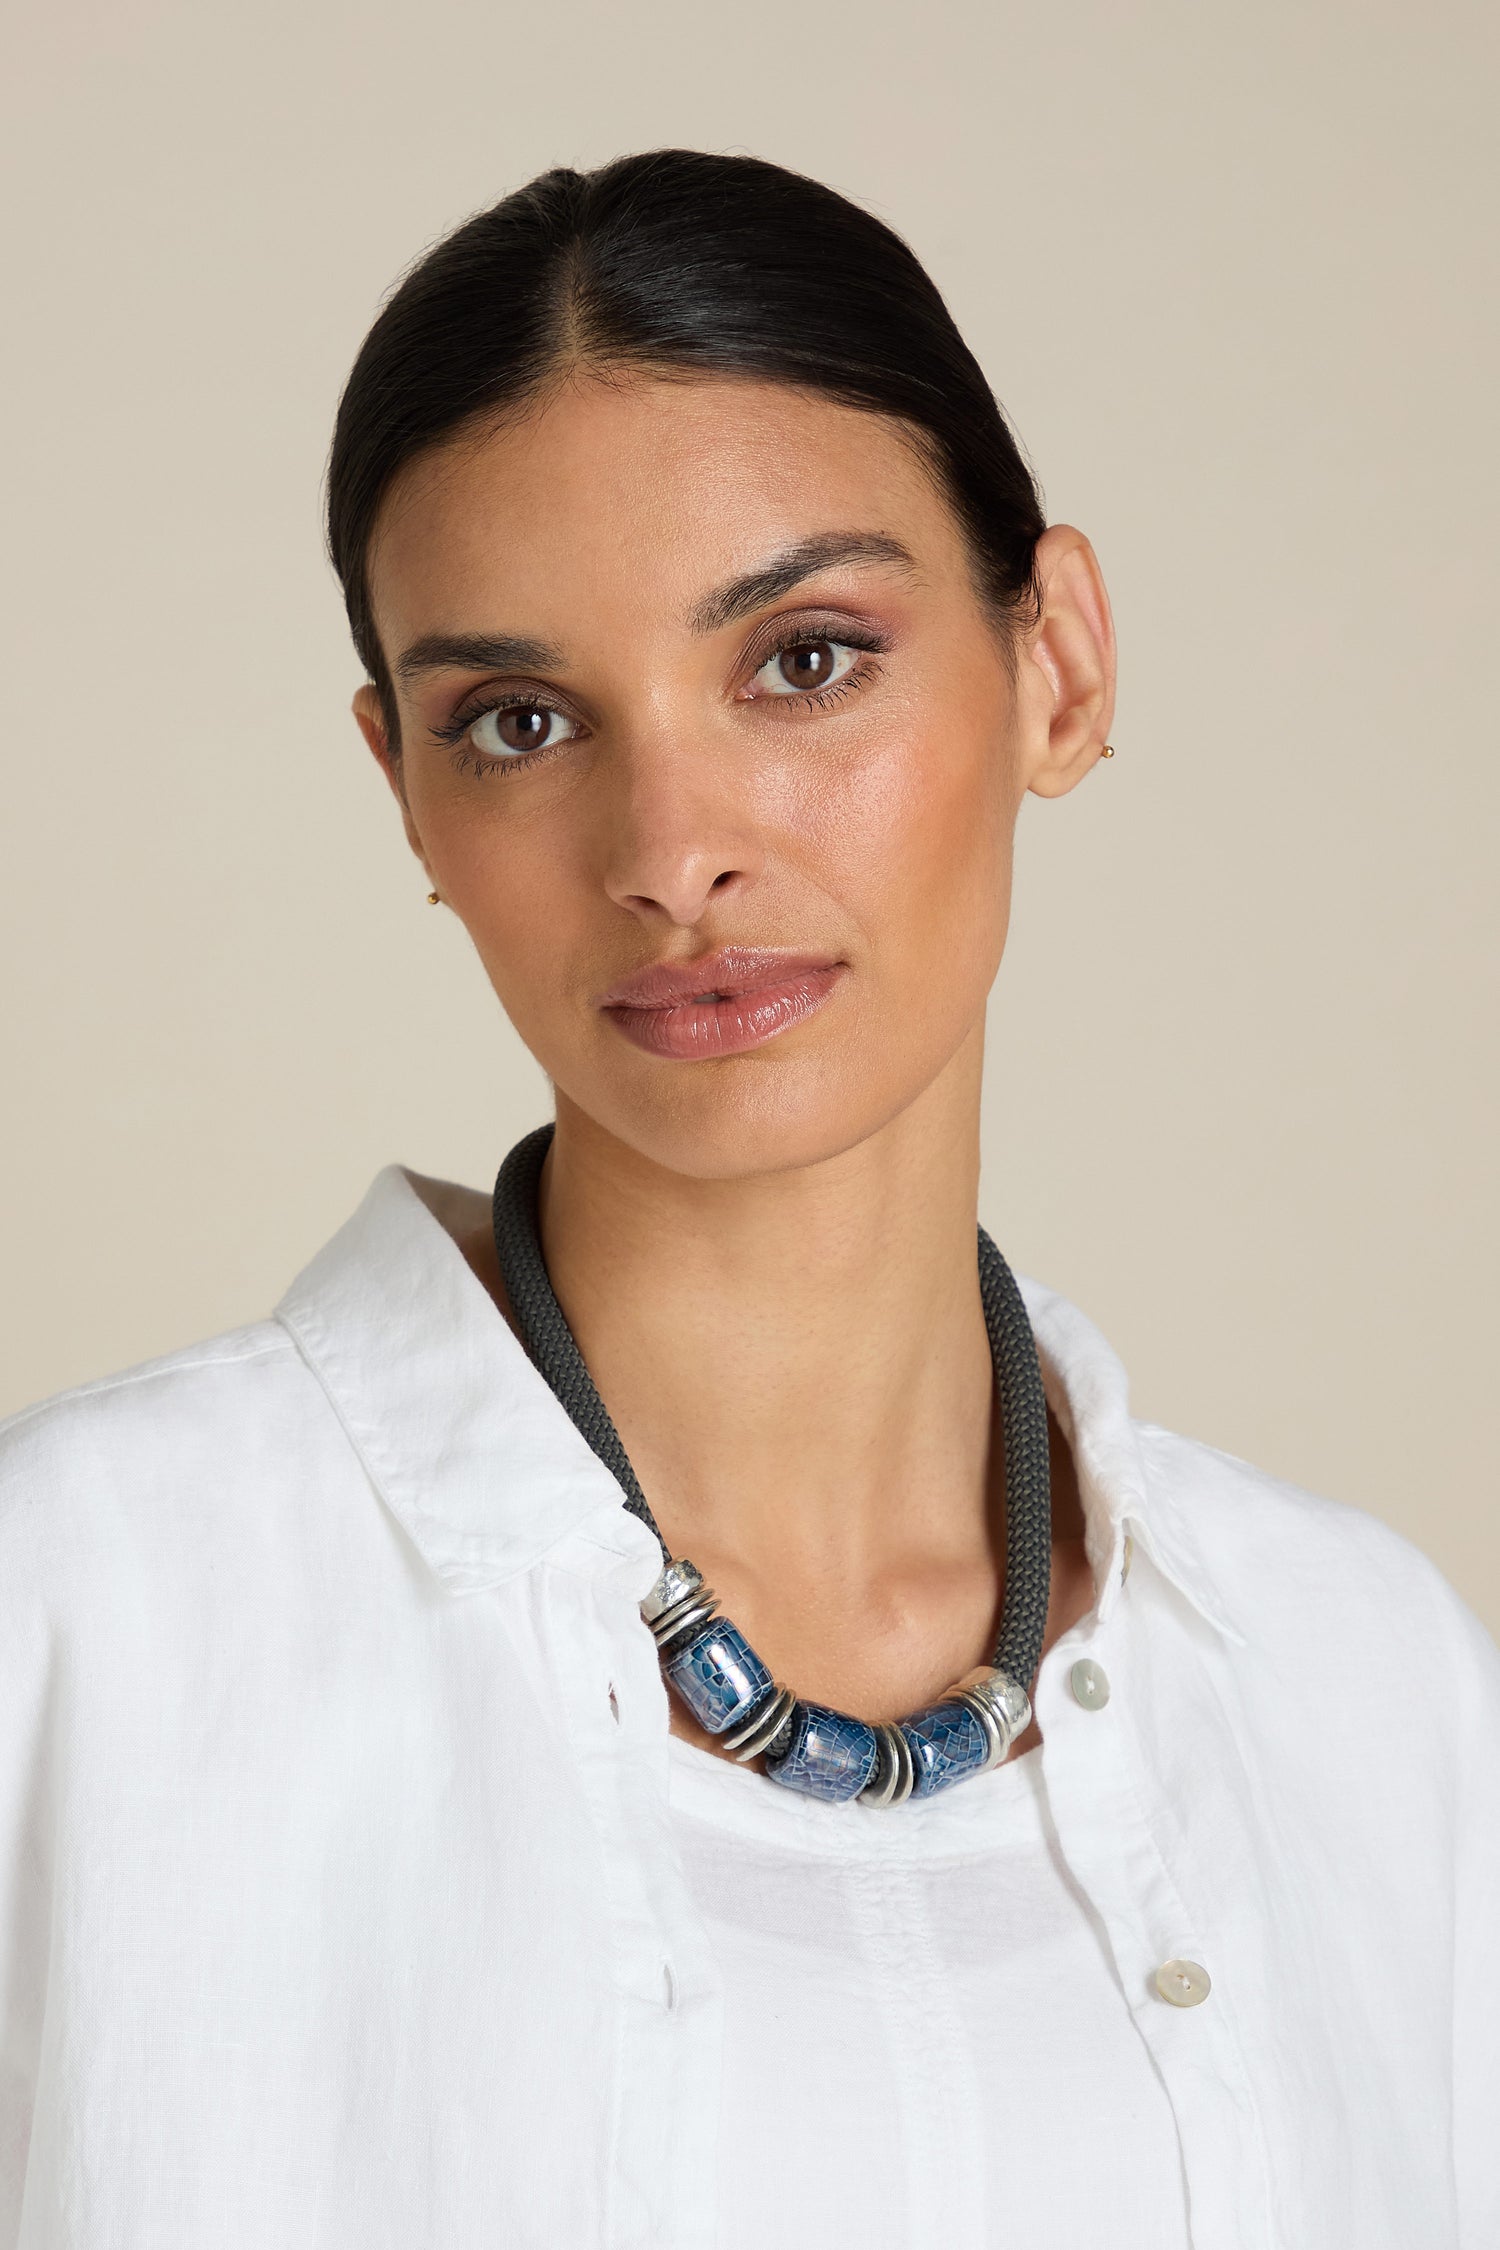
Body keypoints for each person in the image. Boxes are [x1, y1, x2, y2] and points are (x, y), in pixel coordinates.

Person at [0, 148, 1495, 2250]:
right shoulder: (82, 1618)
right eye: (519, 720)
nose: (671, 847)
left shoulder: (1367, 1689)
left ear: (1056, 662)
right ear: (407, 796)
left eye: (802, 660)